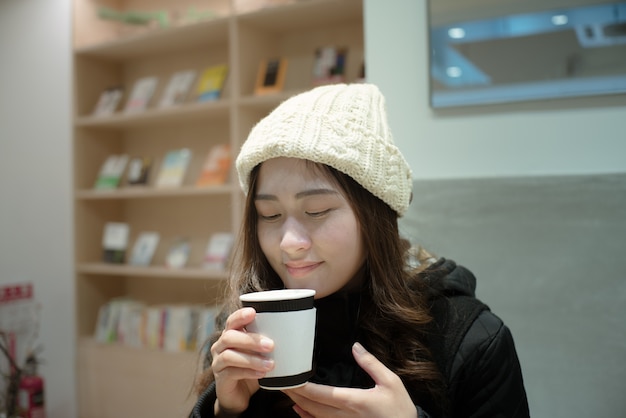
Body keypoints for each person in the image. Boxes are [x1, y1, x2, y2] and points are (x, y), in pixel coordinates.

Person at [189, 83, 529, 417]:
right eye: (270, 215)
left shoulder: (468, 338)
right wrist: (225, 410)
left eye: (317, 210)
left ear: (374, 213)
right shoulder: (245, 328)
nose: (289, 242)